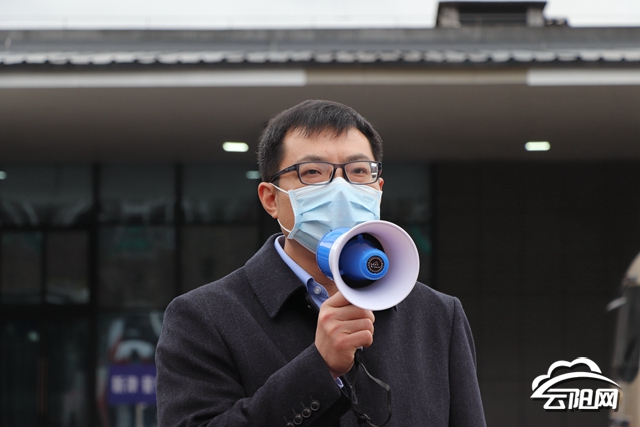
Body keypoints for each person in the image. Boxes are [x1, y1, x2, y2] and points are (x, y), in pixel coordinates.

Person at [156, 100, 486, 427]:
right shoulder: (204, 318)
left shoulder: (437, 316)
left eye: (359, 172)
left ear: (378, 189)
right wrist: (318, 369)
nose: (341, 189)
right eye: (312, 172)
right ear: (271, 199)